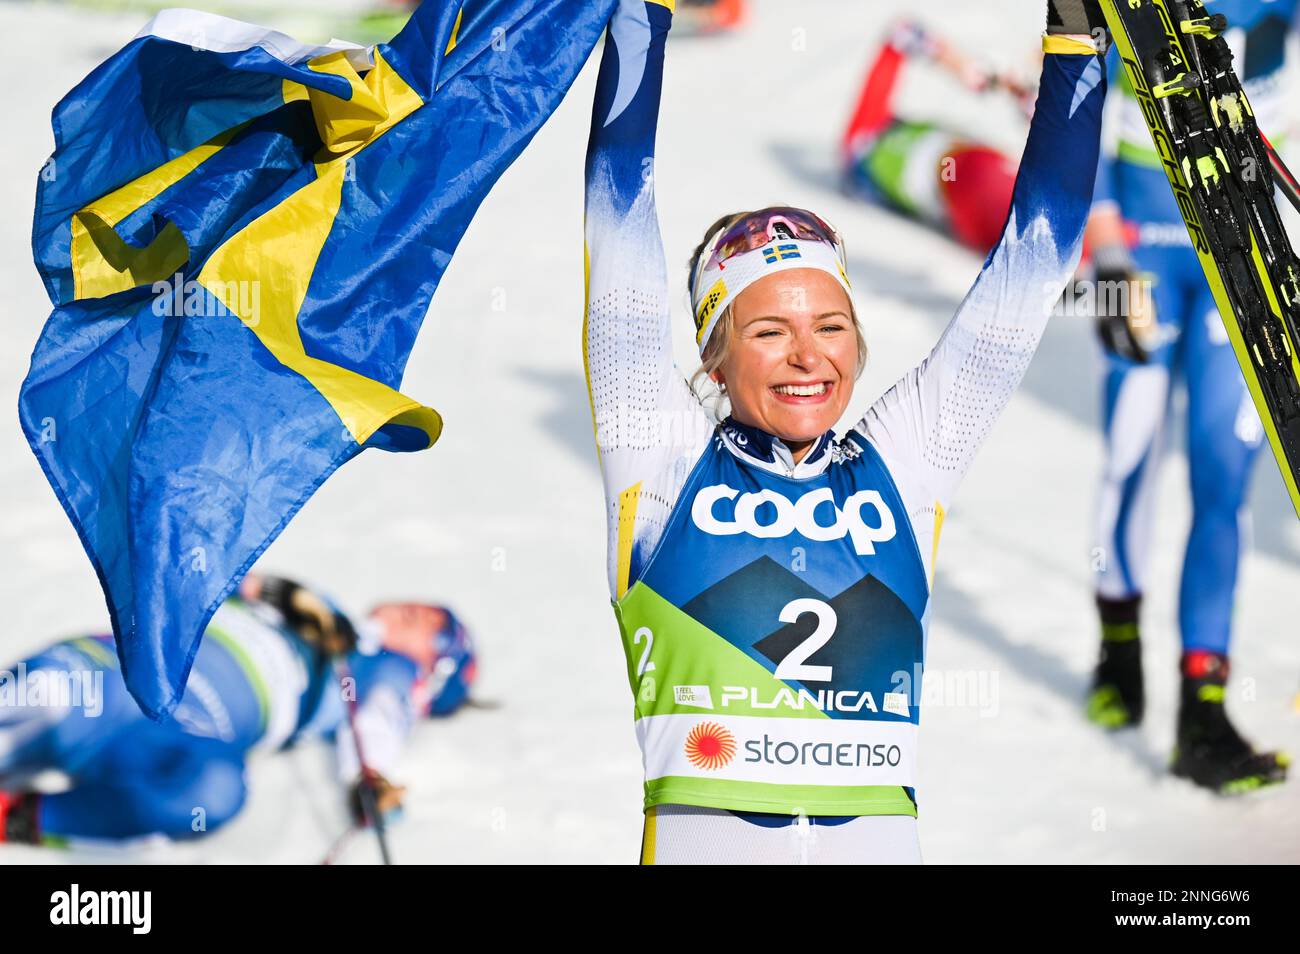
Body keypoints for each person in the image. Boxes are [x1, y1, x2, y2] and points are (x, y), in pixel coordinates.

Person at [582, 0, 1105, 863]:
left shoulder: (905, 464)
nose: (805, 357)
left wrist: (1076, 42)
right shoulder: (661, 455)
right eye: (767, 331)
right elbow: (617, 217)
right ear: (714, 362)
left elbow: (1032, 265)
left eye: (829, 326)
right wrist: (642, 18)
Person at [1084, 0, 1294, 794]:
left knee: (1223, 480)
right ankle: (1119, 650)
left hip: (1240, 255)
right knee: (1129, 457)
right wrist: (1103, 257)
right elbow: (1079, 107)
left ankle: (1203, 711)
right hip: (1136, 255)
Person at [0, 574, 476, 846]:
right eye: (430, 608)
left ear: (429, 681)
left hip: (191, 731)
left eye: (439, 633)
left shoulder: (386, 669)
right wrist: (282, 594)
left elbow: (378, 719)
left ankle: (25, 817)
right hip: (128, 670)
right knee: (48, 696)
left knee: (211, 793)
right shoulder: (325, 608)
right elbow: (204, 569)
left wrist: (369, 776)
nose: (426, 614)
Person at [840, 19, 1032, 253]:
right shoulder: (862, 146)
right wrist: (964, 68)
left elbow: (902, 35)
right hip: (967, 179)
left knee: (1042, 224)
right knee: (1041, 225)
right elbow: (900, 36)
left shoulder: (864, 147)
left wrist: (967, 69)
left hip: (976, 178)